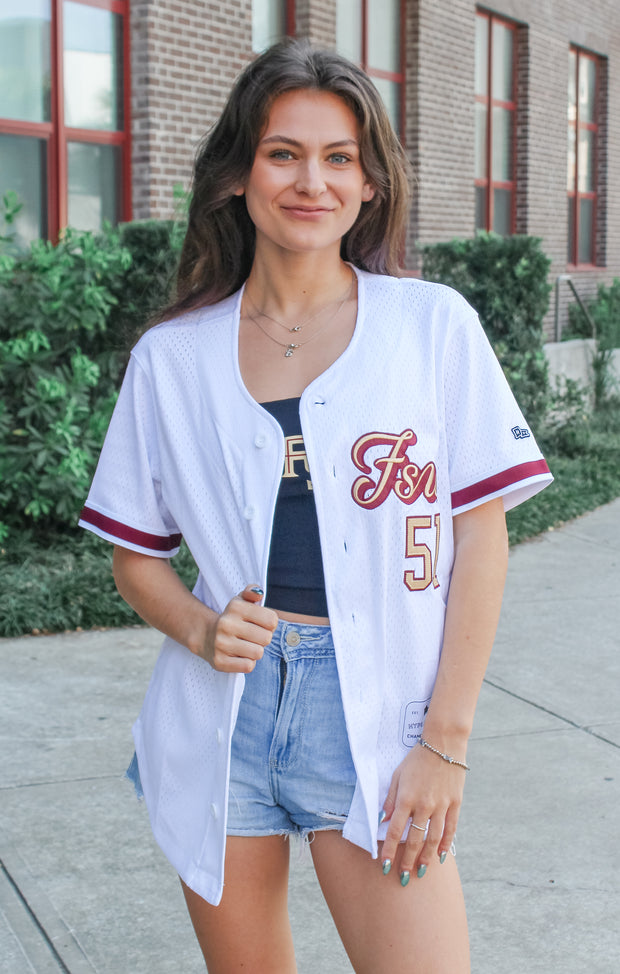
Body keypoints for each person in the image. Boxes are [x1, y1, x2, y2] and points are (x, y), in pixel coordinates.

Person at [79, 39, 552, 974]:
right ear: (238, 174)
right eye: (283, 152)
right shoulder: (171, 359)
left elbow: (479, 539)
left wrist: (443, 744)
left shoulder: (430, 328)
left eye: (340, 157)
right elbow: (136, 557)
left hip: (378, 712)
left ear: (372, 183)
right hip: (226, 715)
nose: (313, 181)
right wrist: (202, 630)